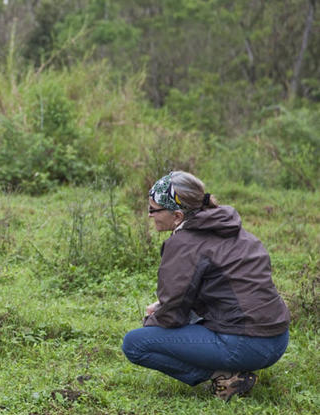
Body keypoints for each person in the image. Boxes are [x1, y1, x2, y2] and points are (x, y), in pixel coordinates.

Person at [121, 171, 290, 401]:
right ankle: (230, 368)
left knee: (136, 343)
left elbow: (171, 315)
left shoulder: (183, 243)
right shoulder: (232, 229)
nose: (150, 215)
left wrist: (152, 320)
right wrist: (164, 306)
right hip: (278, 339)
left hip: (247, 343)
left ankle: (225, 377)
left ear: (178, 215)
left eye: (153, 209)